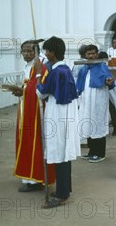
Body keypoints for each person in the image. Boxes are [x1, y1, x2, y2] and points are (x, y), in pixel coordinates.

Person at [34, 36, 81, 208]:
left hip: (58, 114)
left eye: (47, 51)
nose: (45, 54)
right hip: (64, 113)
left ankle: (62, 194)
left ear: (53, 52)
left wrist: (38, 75)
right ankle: (65, 189)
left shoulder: (56, 71)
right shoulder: (64, 69)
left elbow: (41, 93)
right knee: (63, 151)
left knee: (61, 152)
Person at [12, 40, 55, 192]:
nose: (27, 53)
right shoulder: (27, 66)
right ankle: (28, 176)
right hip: (25, 108)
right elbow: (28, 87)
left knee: (34, 141)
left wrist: (24, 90)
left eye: (30, 51)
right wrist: (21, 90)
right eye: (24, 51)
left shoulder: (39, 67)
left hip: (35, 111)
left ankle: (35, 178)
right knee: (25, 140)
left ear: (36, 52)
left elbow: (40, 89)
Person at [76, 44, 114, 162]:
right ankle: (92, 151)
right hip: (86, 100)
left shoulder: (102, 66)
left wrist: (108, 81)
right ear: (85, 55)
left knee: (98, 123)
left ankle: (100, 153)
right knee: (88, 123)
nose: (91, 56)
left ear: (97, 54)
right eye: (89, 54)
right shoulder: (83, 68)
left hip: (98, 100)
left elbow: (110, 81)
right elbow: (79, 84)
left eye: (93, 53)